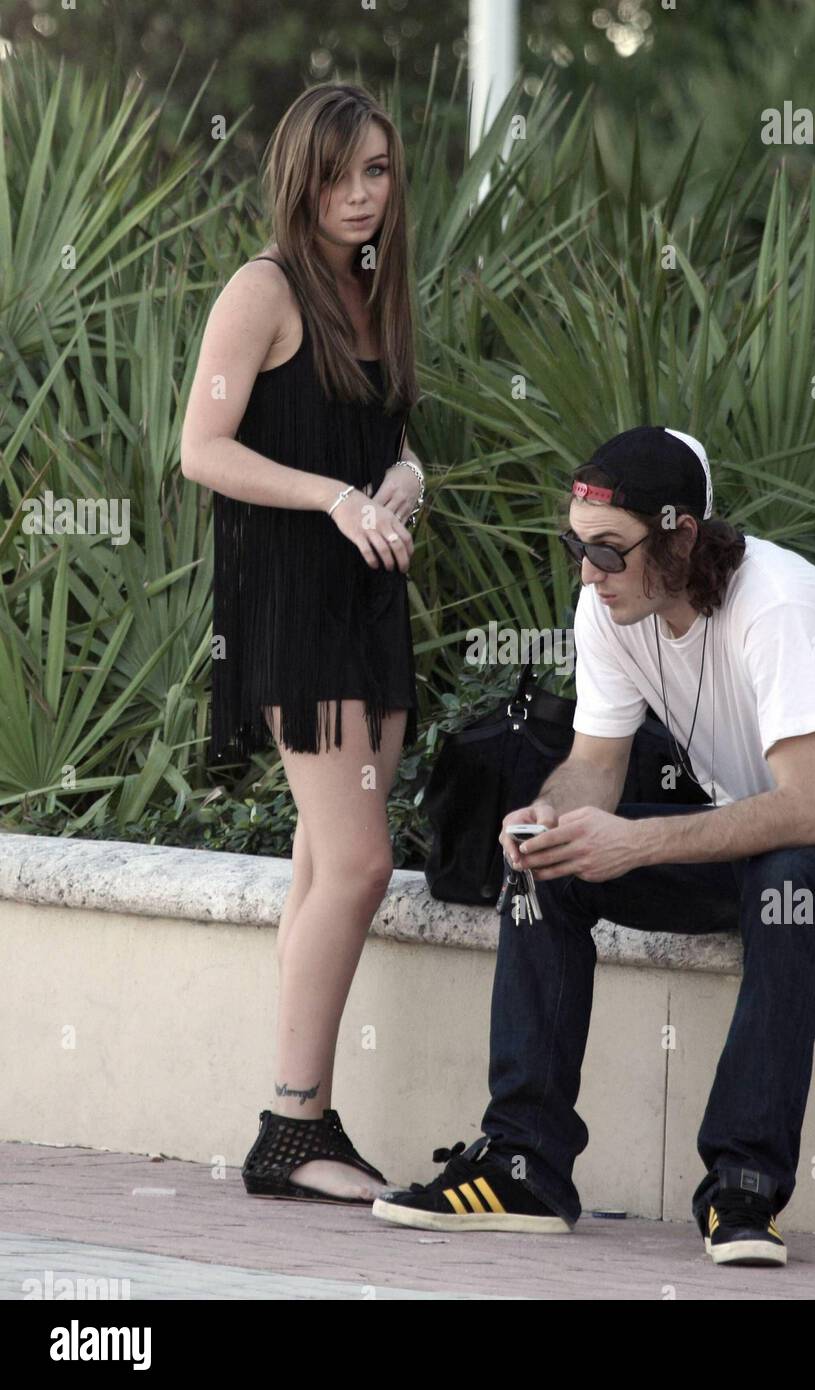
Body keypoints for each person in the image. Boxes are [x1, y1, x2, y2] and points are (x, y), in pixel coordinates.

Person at [372, 425, 815, 1265]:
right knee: (550, 870)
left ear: (680, 535)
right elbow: (593, 768)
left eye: (608, 551)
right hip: (766, 846)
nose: (589, 574)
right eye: (576, 548)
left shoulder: (775, 609)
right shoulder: (612, 608)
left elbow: (809, 811)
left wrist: (637, 843)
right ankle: (523, 1166)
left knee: (790, 880)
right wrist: (547, 817)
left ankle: (743, 1186)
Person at [179, 83, 425, 1204]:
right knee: (362, 864)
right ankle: (291, 1124)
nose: (360, 194)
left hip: (370, 603)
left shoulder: (374, 289)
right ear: (298, 178)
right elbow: (202, 448)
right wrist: (334, 496)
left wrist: (405, 477)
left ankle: (301, 1118)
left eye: (375, 170)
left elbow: (389, 435)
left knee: (326, 863)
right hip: (293, 609)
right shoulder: (263, 288)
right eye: (338, 174)